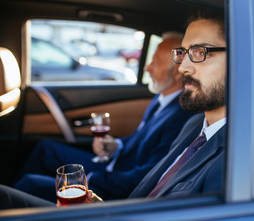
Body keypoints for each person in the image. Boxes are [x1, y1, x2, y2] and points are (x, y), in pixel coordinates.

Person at [0, 10, 227, 207]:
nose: (184, 67)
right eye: (183, 54)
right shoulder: (195, 125)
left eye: (200, 52)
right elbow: (148, 186)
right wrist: (99, 206)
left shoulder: (231, 161)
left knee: (19, 190)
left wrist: (97, 187)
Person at [13, 32, 195, 202]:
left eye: (154, 63)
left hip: (117, 184)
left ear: (178, 71)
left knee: (30, 184)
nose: (147, 68)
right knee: (45, 149)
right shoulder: (161, 99)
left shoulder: (180, 116)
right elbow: (138, 139)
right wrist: (116, 146)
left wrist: (91, 180)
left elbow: (150, 174)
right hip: (114, 165)